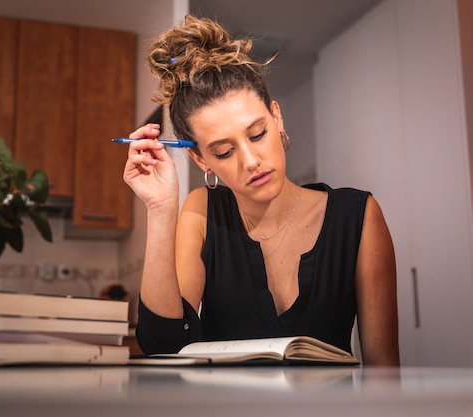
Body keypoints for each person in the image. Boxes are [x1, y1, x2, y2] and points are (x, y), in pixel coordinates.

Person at [122, 14, 400, 366]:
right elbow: (162, 345)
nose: (251, 160)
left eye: (257, 134)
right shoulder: (202, 211)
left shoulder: (357, 216)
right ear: (201, 159)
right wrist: (161, 209)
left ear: (276, 118)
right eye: (224, 151)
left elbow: (384, 368)